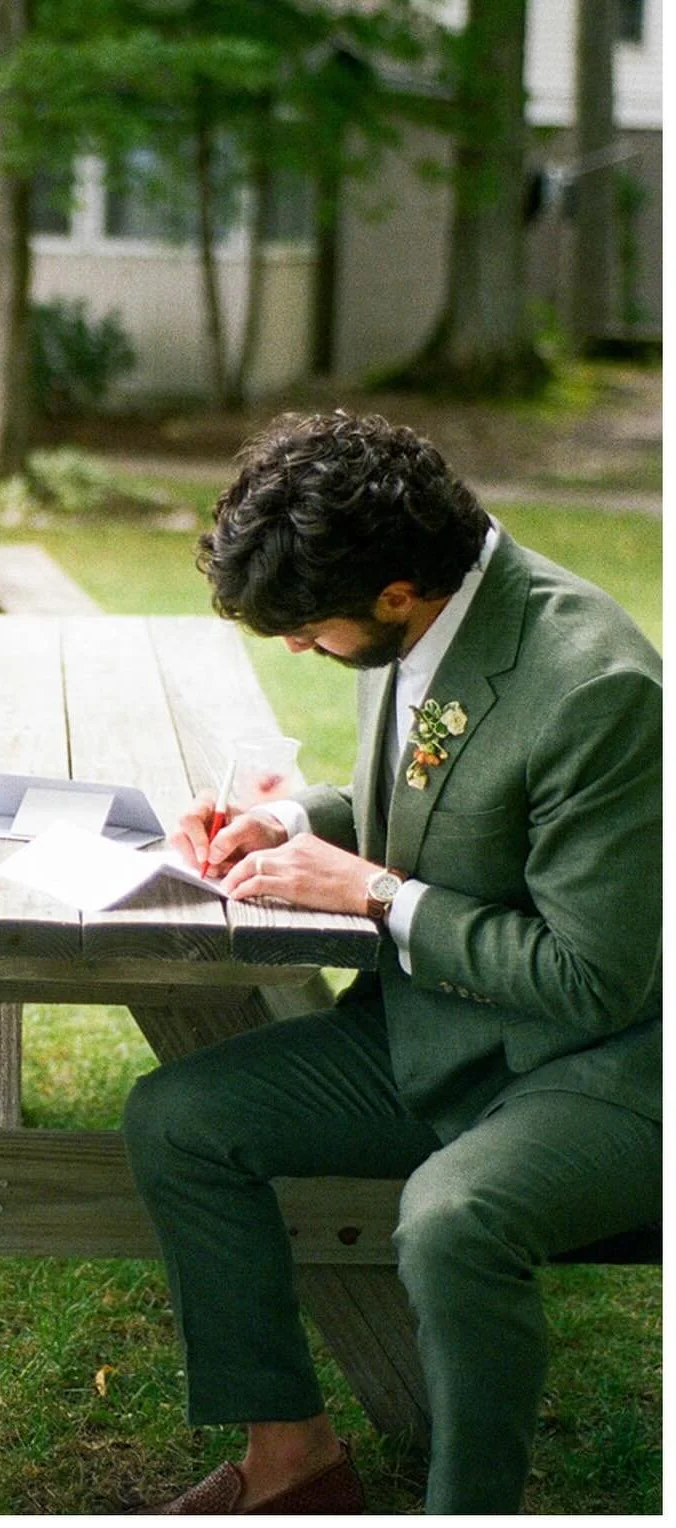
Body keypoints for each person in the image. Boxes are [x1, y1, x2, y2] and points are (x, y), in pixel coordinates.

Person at [122, 411, 660, 1516]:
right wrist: (288, 824)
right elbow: (426, 810)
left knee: (454, 1218)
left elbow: (596, 979)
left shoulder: (598, 688)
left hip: (601, 1065)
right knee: (180, 1118)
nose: (297, 649)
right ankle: (294, 1456)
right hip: (434, 1026)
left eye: (307, 630)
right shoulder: (425, 614)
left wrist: (372, 893)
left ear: (397, 594)